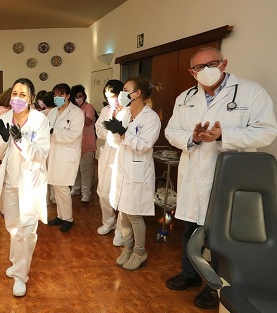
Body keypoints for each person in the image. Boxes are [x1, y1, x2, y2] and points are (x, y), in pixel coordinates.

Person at [165, 47, 277, 309]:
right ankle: (190, 274)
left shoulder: (251, 91)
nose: (205, 71)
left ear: (224, 63)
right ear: (192, 72)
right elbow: (172, 131)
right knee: (191, 230)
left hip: (230, 177)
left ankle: (215, 286)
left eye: (211, 64)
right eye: (199, 68)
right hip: (194, 174)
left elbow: (266, 132)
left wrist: (223, 135)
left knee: (222, 235)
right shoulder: (185, 97)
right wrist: (191, 138)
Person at [0, 78, 50, 297]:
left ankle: (20, 276)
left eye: (23, 94)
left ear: (31, 98)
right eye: (15, 93)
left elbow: (41, 154)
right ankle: (17, 265)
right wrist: (6, 140)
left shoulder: (40, 120)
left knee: (27, 231)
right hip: (9, 183)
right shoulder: (4, 118)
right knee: (13, 228)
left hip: (31, 184)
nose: (17, 98)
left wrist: (21, 140)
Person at [106, 77, 161, 271]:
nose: (122, 93)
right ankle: (127, 247)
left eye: (126, 89)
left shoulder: (151, 117)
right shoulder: (126, 114)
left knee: (134, 214)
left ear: (137, 93)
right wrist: (115, 131)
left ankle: (139, 251)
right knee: (123, 211)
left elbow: (144, 145)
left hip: (138, 170)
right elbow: (115, 142)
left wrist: (123, 133)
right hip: (123, 168)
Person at [46, 83, 84, 232]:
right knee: (56, 185)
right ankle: (60, 215)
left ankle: (68, 218)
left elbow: (73, 135)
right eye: (55, 95)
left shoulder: (76, 113)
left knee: (62, 187)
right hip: (53, 153)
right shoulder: (53, 112)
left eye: (61, 95)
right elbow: (46, 130)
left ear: (68, 96)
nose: (57, 98)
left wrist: (54, 132)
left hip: (67, 153)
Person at [95, 79, 124, 244]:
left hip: (122, 155)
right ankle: (108, 221)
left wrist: (114, 133)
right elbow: (99, 130)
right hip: (107, 154)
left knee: (121, 196)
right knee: (103, 192)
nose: (110, 99)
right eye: (107, 96)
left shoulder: (128, 110)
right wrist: (111, 133)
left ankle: (120, 231)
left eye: (112, 95)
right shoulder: (105, 110)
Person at [69, 84, 97, 203]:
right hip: (74, 144)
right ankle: (76, 188)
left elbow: (87, 121)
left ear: (84, 96)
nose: (78, 99)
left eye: (80, 96)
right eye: (76, 97)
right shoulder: (71, 108)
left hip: (87, 143)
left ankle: (86, 192)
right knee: (75, 168)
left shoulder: (88, 107)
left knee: (85, 169)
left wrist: (75, 113)